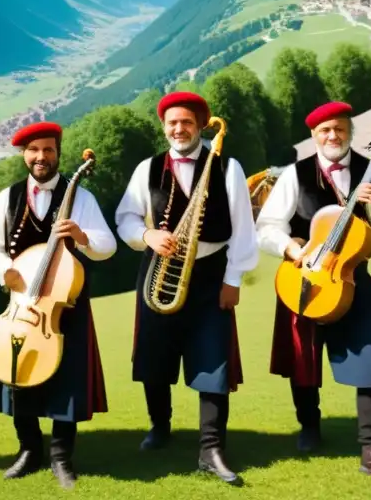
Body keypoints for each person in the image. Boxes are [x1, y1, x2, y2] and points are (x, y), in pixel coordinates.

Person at [255, 102, 371, 486]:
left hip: (353, 280)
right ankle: (309, 425)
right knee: (304, 361)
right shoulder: (295, 176)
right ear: (314, 136)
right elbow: (266, 228)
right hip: (305, 277)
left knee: (369, 363)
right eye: (325, 130)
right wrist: (292, 249)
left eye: (340, 129)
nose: (333, 136)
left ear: (350, 132)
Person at [115, 92, 258, 486]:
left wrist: (233, 281)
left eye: (187, 122)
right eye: (173, 123)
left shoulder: (227, 167)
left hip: (211, 273)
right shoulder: (148, 168)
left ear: (200, 126)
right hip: (158, 270)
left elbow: (244, 229)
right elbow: (124, 217)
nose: (179, 129)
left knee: (213, 358)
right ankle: (160, 427)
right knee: (154, 355)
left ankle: (211, 449)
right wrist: (147, 235)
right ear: (164, 127)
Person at [0, 122, 116, 490]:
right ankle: (28, 449)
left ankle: (61, 456)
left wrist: (83, 238)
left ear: (58, 153)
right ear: (24, 155)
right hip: (21, 306)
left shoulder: (79, 196)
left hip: (65, 308)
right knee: (18, 376)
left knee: (67, 382)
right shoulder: (8, 198)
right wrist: (3, 270)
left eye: (48, 150)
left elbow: (107, 245)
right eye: (34, 150)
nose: (41, 157)